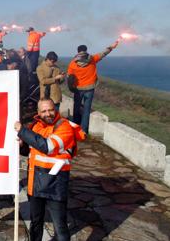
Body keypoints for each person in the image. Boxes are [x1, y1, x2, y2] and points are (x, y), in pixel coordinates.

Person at [14, 99, 86, 241]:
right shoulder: (35, 126)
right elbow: (31, 150)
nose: (48, 114)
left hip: (55, 184)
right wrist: (23, 144)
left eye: (51, 110)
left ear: (56, 109)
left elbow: (47, 146)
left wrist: (22, 130)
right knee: (36, 223)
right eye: (44, 111)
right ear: (38, 113)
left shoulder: (65, 127)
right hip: (35, 184)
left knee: (60, 227)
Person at [67, 41, 119, 133]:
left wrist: (72, 87)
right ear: (86, 51)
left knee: (76, 107)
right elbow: (103, 53)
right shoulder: (92, 59)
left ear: (78, 51)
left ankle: (75, 126)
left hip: (78, 89)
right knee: (86, 110)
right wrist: (112, 47)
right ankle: (83, 130)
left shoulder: (72, 63)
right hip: (90, 88)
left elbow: (69, 77)